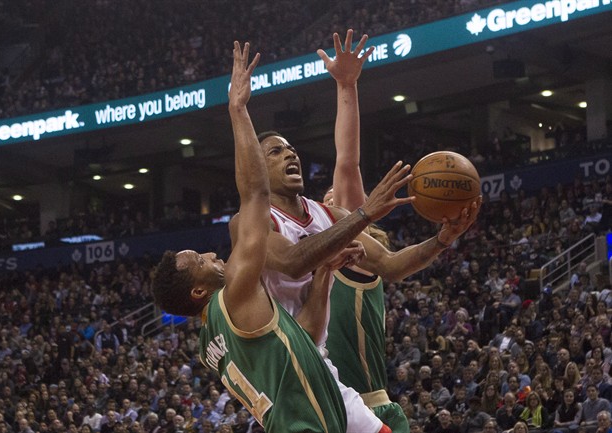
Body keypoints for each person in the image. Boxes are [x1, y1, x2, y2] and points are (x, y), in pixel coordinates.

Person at [240, 28, 478, 433]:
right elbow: (296, 259)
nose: (290, 153)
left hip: (352, 390)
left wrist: (442, 239)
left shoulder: (331, 216)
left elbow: (350, 169)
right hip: (297, 377)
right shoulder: (260, 221)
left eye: (291, 148)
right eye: (276, 151)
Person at [152, 41, 370, 433]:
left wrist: (322, 274)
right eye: (201, 261)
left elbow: (300, 337)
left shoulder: (210, 345)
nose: (211, 254)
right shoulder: (235, 294)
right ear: (198, 291)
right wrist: (238, 110)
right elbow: (255, 194)